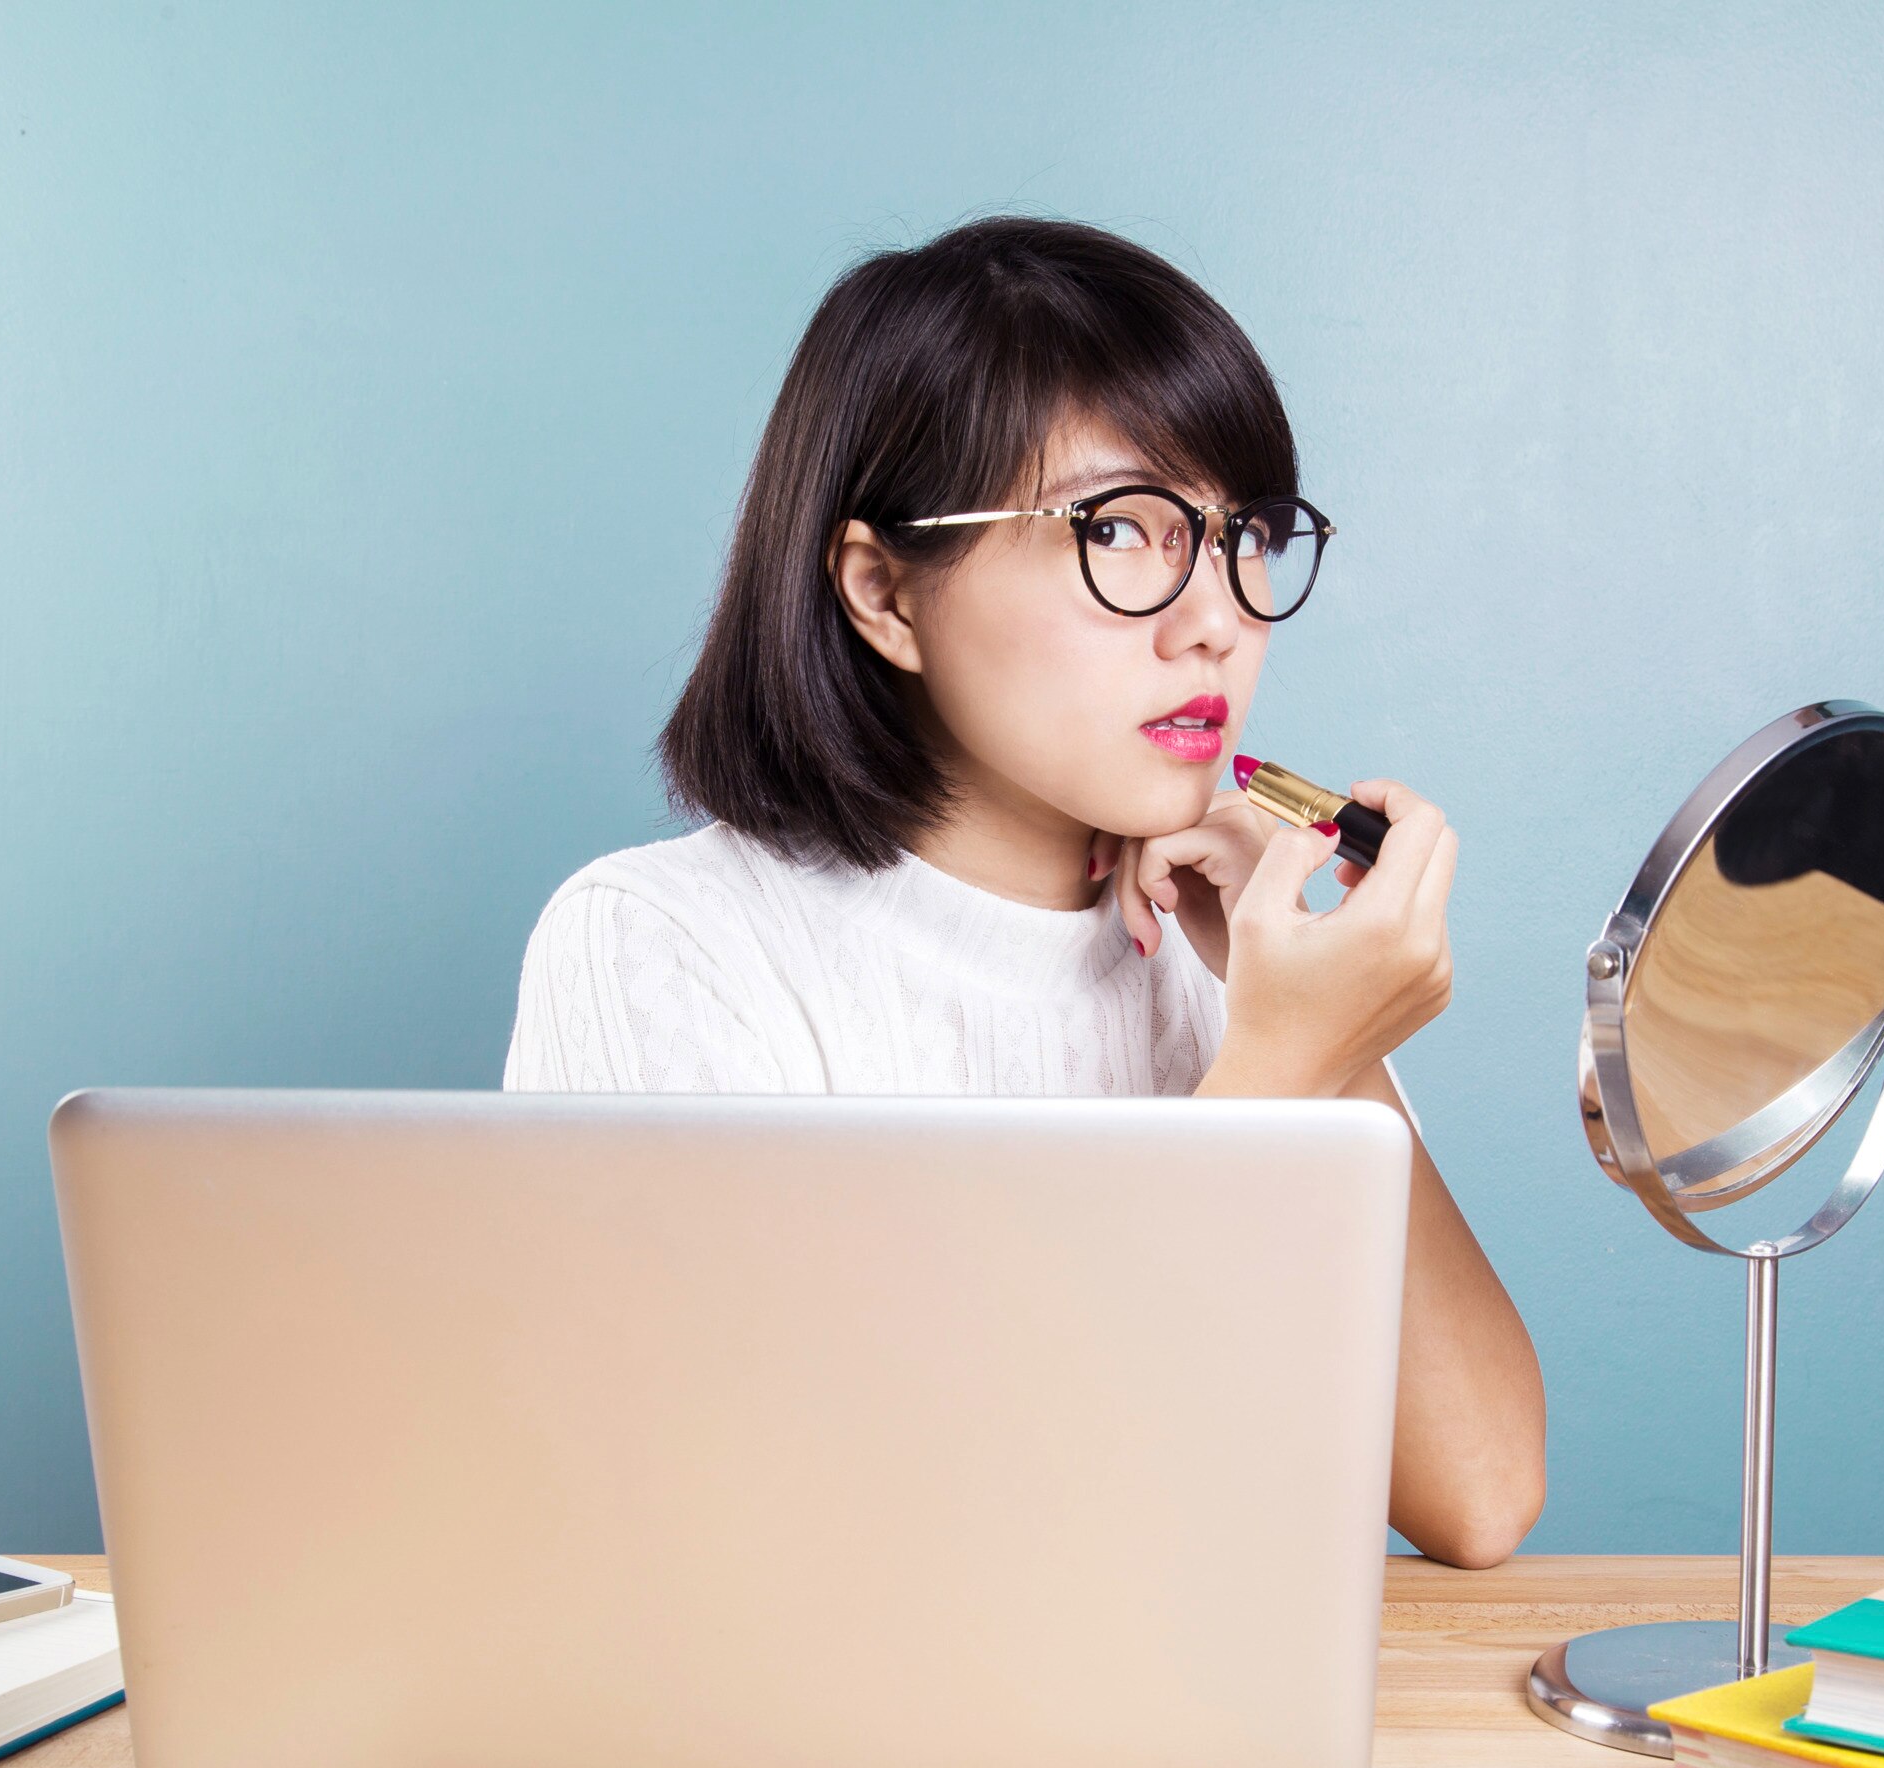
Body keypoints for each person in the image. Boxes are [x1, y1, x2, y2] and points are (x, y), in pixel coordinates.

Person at [505, 216, 1543, 1567]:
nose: (1216, 615)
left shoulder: (1230, 968)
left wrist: (1329, 1052)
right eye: (1123, 531)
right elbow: (811, 1544)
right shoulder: (668, 945)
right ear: (885, 593)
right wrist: (1273, 1080)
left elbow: (1479, 1493)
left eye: (1247, 535)